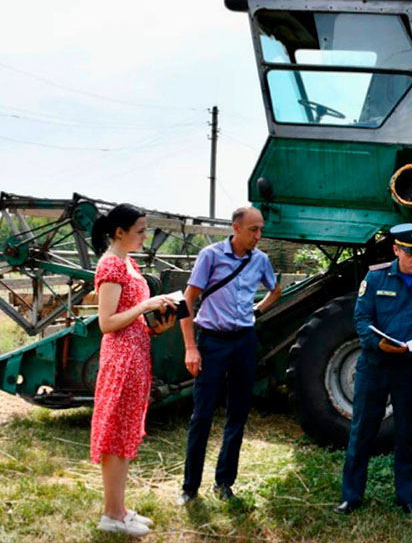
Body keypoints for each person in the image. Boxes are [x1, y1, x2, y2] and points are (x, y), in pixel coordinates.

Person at [336, 223, 412, 518]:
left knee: (408, 434)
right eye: (409, 252)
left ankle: (406, 498)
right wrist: (378, 343)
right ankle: (351, 496)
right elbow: (361, 319)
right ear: (396, 249)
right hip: (375, 366)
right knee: (362, 429)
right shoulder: (376, 277)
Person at [177, 206, 281, 504]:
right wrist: (190, 347)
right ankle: (189, 486)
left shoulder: (260, 260)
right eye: (253, 230)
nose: (258, 236)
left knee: (238, 413)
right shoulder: (210, 256)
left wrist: (256, 311)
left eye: (261, 230)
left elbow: (275, 291)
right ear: (235, 228)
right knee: (202, 415)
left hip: (244, 341)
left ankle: (224, 482)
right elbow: (188, 300)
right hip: (212, 341)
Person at [91, 203, 178, 536]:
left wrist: (158, 325)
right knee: (115, 435)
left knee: (125, 433)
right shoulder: (111, 265)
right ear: (120, 233)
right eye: (140, 230)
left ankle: (119, 509)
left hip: (136, 355)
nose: (145, 236)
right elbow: (107, 322)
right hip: (121, 359)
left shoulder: (127, 263)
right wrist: (146, 305)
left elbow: (131, 318)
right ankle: (111, 515)